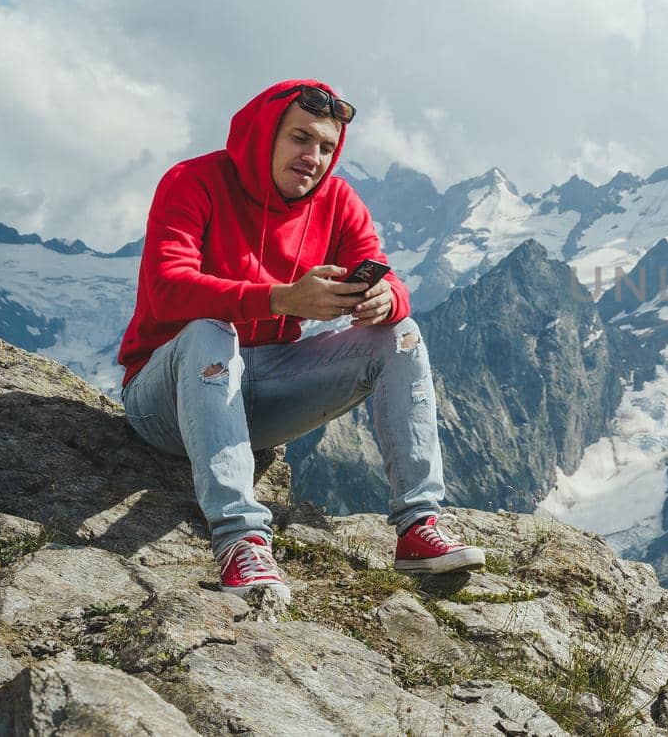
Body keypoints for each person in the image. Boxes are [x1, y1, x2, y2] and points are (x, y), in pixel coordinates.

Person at [117, 79, 483, 602]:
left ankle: (417, 527)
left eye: (326, 147)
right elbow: (167, 290)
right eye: (299, 138)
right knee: (207, 329)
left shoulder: (336, 200)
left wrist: (385, 300)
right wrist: (279, 299)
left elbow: (388, 277)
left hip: (257, 394)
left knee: (399, 334)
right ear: (265, 135)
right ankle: (240, 541)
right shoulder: (192, 181)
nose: (313, 157)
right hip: (165, 401)